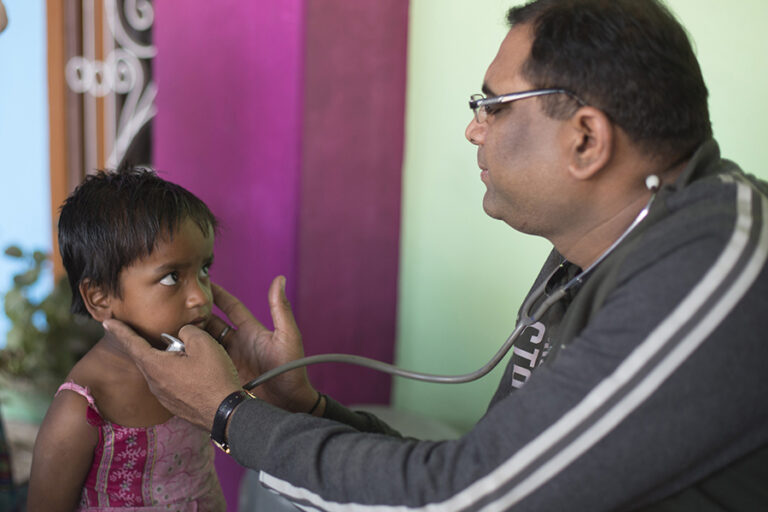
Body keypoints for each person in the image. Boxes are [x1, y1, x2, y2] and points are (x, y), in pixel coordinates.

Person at [106, 0, 768, 510]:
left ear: (586, 140)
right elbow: (486, 469)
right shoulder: (594, 255)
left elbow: (466, 498)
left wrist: (229, 416)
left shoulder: (721, 257)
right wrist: (301, 408)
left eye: (493, 106)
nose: (473, 128)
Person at [27, 169, 226, 511]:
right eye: (172, 277)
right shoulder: (81, 411)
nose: (199, 296)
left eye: (204, 270)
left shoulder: (202, 366)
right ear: (100, 297)